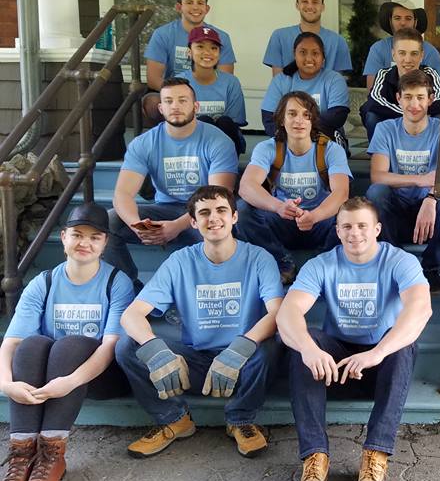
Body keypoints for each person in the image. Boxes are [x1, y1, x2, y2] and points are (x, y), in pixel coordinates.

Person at [277, 197, 432, 481]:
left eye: (362, 225)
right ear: (337, 230)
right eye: (347, 226)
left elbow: (421, 308)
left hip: (380, 366)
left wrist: (378, 352)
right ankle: (314, 459)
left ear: (376, 228)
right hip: (336, 366)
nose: (354, 233)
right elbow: (288, 311)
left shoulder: (399, 261)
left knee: (402, 343)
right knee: (304, 342)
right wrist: (308, 348)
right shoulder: (322, 264)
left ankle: (375, 456)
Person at [116, 186, 283, 459]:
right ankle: (174, 419)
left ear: (234, 218)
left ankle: (241, 419)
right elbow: (130, 314)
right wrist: (155, 349)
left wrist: (239, 349)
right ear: (193, 222)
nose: (213, 218)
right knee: (128, 346)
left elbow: (277, 314)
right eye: (204, 213)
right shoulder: (179, 261)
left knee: (271, 346)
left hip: (244, 363)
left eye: (221, 211)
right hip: (196, 362)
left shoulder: (259, 258)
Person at [0, 203, 134, 481]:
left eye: (94, 237)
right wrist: (5, 384)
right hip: (51, 379)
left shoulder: (117, 283)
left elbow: (111, 346)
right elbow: (10, 343)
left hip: (98, 377)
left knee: (69, 345)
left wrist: (71, 381)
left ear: (105, 243)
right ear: (63, 238)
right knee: (32, 344)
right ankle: (22, 455)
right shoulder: (43, 282)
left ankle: (52, 455)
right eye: (77, 234)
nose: (84, 243)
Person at [102, 78, 238, 286]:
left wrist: (176, 226)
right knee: (110, 220)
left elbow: (219, 197)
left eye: (182, 100)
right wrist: (137, 225)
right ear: (161, 108)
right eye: (169, 101)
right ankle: (127, 286)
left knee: (216, 225)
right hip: (165, 210)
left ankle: (191, 296)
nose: (175, 106)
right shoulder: (144, 143)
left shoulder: (218, 141)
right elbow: (122, 194)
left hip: (203, 214)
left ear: (196, 106)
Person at [238, 91, 352, 284]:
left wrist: (314, 216)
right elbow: (246, 187)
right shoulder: (268, 148)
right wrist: (278, 206)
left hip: (319, 222)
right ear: (282, 119)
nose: (299, 120)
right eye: (292, 114)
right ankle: (282, 261)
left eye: (306, 115)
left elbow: (341, 193)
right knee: (242, 209)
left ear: (313, 121)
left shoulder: (331, 149)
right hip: (283, 220)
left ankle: (318, 266)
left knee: (349, 212)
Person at [367, 69, 440, 295]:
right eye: (408, 97)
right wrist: (420, 180)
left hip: (428, 212)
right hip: (395, 213)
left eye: (420, 97)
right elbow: (378, 175)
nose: (414, 104)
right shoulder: (385, 128)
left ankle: (431, 268)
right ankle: (395, 264)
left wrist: (430, 198)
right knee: (375, 193)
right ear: (398, 99)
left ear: (431, 99)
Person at [143, 0, 237, 123]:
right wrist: (182, 95)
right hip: (173, 92)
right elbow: (153, 79)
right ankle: (167, 140)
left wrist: (198, 95)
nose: (195, 7)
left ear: (207, 8)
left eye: (200, 3)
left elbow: (226, 78)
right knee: (152, 102)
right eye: (189, 2)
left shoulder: (221, 37)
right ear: (179, 7)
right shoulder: (162, 34)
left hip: (209, 93)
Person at [360, 27, 440, 141]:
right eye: (402, 53)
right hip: (393, 124)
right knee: (371, 117)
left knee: (439, 118)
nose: (408, 59)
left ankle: (434, 157)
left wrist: (414, 114)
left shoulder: (431, 74)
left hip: (422, 125)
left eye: (414, 54)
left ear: (422, 55)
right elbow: (373, 103)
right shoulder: (383, 74)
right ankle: (380, 155)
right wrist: (411, 113)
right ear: (394, 55)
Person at [261, 32, 349, 137]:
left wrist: (303, 134)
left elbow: (337, 116)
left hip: (324, 138)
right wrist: (292, 137)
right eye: (303, 52)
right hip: (287, 138)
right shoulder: (280, 80)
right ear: (295, 54)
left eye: (315, 53)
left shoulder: (334, 79)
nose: (309, 59)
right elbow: (269, 118)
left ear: (323, 57)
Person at [263, 0, 352, 76]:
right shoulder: (279, 37)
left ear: (323, 6)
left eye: (315, 2)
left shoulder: (338, 42)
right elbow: (278, 82)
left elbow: (338, 84)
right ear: (297, 5)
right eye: (304, 1)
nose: (310, 6)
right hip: (289, 91)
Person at [185, 26, 247, 156]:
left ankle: (227, 167)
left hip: (226, 143)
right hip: (190, 145)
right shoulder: (180, 82)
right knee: (203, 121)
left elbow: (234, 123)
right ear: (189, 52)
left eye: (214, 48)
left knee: (224, 121)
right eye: (200, 47)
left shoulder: (231, 82)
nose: (207, 52)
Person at [363, 0, 440, 86]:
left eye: (408, 18)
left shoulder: (430, 51)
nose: (403, 23)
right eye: (397, 18)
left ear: (415, 22)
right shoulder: (378, 49)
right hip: (384, 99)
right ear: (390, 21)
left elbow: (437, 87)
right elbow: (372, 89)